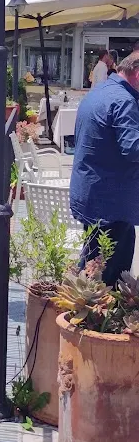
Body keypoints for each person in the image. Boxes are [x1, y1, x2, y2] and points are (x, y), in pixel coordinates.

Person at [70, 50, 139, 286]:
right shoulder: (124, 101)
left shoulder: (100, 90)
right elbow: (133, 148)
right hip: (112, 203)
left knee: (92, 264)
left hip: (92, 195)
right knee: (107, 277)